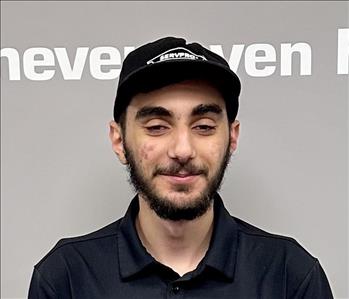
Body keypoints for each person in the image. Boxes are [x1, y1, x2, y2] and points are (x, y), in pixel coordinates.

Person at [28, 36, 333, 299]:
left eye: (203, 126)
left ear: (232, 137)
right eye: (158, 126)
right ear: (119, 140)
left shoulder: (290, 275)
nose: (182, 150)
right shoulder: (66, 277)